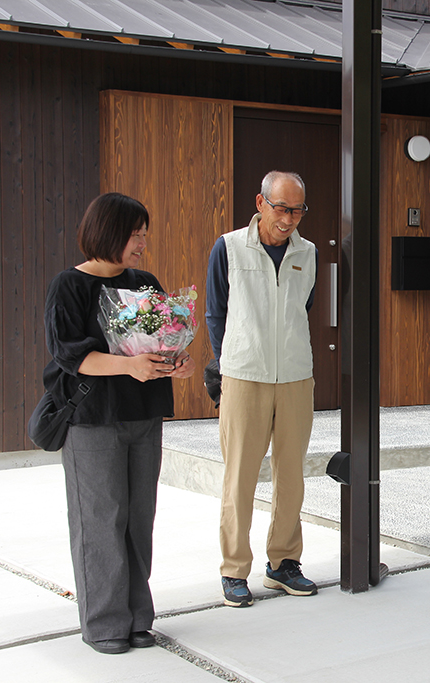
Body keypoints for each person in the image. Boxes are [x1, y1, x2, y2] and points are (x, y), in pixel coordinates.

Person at [43, 192, 196, 654]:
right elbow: (70, 356)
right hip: (93, 420)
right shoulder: (69, 286)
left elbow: (159, 341)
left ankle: (136, 618)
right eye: (135, 234)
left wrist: (177, 361)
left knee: (138, 519)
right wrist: (128, 366)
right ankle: (104, 623)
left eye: (144, 233)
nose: (142, 243)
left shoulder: (144, 282)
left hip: (143, 416)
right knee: (100, 520)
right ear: (107, 232)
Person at [206, 170, 319, 607]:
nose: (289, 218)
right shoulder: (230, 246)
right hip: (243, 375)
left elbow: (303, 306)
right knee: (240, 477)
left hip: (294, 374)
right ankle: (234, 570)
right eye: (281, 208)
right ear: (260, 203)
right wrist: (227, 363)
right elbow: (217, 312)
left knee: (291, 473)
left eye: (298, 210)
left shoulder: (306, 253)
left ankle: (283, 563)